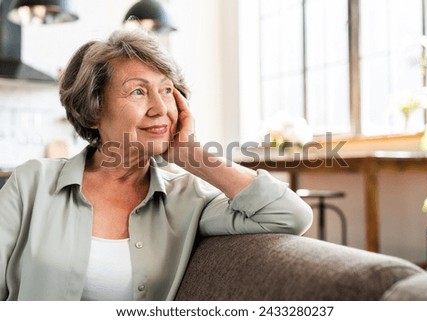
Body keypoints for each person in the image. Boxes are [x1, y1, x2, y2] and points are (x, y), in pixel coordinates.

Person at [0, 28, 313, 301]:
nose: (161, 107)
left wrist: (193, 155)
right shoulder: (31, 183)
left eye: (166, 90)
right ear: (93, 109)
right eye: (138, 91)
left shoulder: (190, 199)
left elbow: (291, 215)